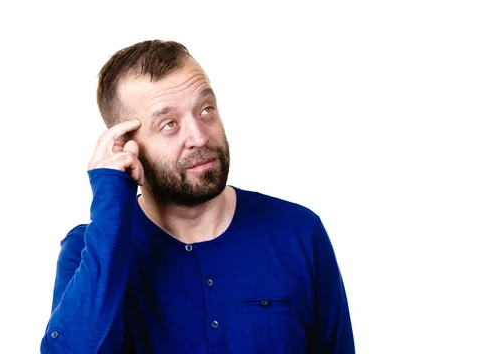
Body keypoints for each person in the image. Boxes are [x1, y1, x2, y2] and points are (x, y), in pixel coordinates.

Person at [40, 40, 355, 353]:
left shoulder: (298, 231)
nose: (200, 137)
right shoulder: (89, 250)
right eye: (169, 125)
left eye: (206, 110)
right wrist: (110, 195)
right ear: (126, 146)